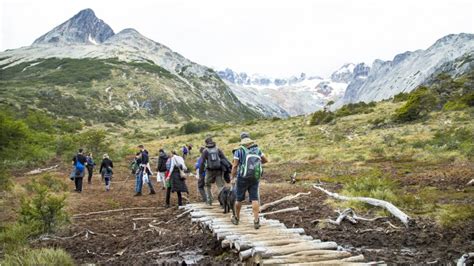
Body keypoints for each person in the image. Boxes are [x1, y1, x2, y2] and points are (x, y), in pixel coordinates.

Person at [230, 132, 268, 229]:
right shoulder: (258, 150)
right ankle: (256, 221)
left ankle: (236, 218)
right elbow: (265, 160)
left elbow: (235, 166)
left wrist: (233, 177)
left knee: (239, 199)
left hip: (242, 177)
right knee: (254, 198)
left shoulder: (238, 151)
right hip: (255, 177)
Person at [199, 137, 228, 205]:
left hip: (209, 170)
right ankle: (223, 201)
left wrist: (201, 172)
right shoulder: (218, 149)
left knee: (207, 185)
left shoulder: (205, 151)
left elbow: (202, 162)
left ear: (206, 143)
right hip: (219, 170)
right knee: (220, 186)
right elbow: (224, 158)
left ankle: (209, 201)